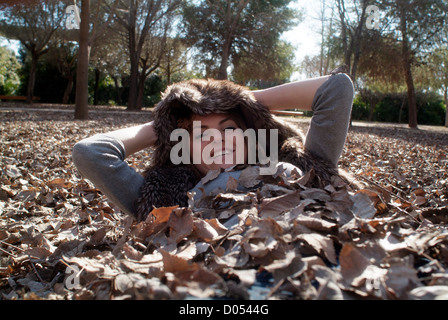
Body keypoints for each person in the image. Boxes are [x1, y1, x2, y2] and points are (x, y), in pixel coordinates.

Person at [72, 70, 354, 221]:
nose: (216, 140)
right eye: (199, 133)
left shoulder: (300, 169)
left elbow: (337, 88)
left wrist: (244, 100)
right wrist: (163, 124)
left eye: (229, 128)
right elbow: (90, 153)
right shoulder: (164, 200)